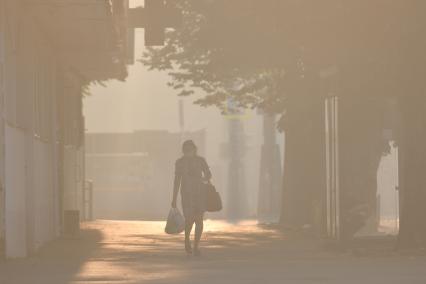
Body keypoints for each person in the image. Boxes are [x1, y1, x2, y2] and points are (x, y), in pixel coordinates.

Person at [172, 140, 212, 256]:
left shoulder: (201, 161)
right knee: (189, 220)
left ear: (194, 150)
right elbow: (176, 181)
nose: (188, 152)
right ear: (183, 151)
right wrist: (174, 198)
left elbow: (209, 174)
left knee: (199, 220)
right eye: (186, 150)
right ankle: (186, 240)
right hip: (186, 196)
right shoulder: (179, 163)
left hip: (200, 195)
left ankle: (196, 246)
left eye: (190, 150)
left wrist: (203, 179)